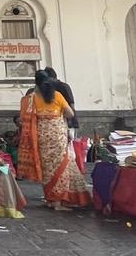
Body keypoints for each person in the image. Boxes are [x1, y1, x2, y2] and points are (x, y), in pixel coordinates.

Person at [27, 69, 89, 210]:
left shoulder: (33, 98)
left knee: (47, 169)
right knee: (61, 167)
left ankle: (50, 199)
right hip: (57, 135)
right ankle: (58, 202)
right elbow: (70, 113)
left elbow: (28, 117)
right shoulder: (58, 96)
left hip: (41, 136)